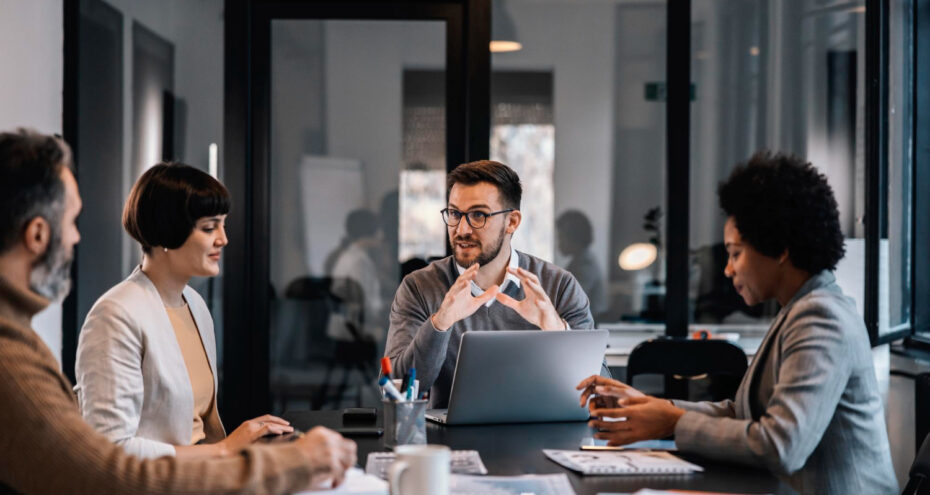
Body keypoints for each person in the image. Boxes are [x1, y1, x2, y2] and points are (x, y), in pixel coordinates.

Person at [0, 128, 355, 494]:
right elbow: (107, 465)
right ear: (38, 235)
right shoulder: (96, 323)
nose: (75, 237)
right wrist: (245, 456)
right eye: (71, 222)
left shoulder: (196, 306)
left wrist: (237, 449)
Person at [576, 151, 897, 495]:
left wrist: (673, 422)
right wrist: (654, 408)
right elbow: (743, 413)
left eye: (735, 252)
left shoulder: (821, 317)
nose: (728, 269)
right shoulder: (799, 309)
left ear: (780, 248)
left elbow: (779, 446)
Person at [74, 163, 294, 459]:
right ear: (167, 231)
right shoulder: (115, 315)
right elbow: (111, 448)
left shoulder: (195, 304)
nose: (223, 239)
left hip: (202, 476)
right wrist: (225, 449)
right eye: (209, 227)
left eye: (223, 225)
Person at [384, 160, 605, 408]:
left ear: (511, 222)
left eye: (478, 215)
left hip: (541, 436)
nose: (462, 229)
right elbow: (397, 389)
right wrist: (440, 323)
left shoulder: (559, 286)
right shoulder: (419, 287)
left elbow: (602, 393)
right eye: (455, 214)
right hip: (448, 441)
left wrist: (556, 329)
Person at [556, 210, 607, 317]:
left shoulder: (585, 264)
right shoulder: (579, 260)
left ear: (573, 237)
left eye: (561, 237)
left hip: (591, 325)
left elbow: (570, 300)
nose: (558, 243)